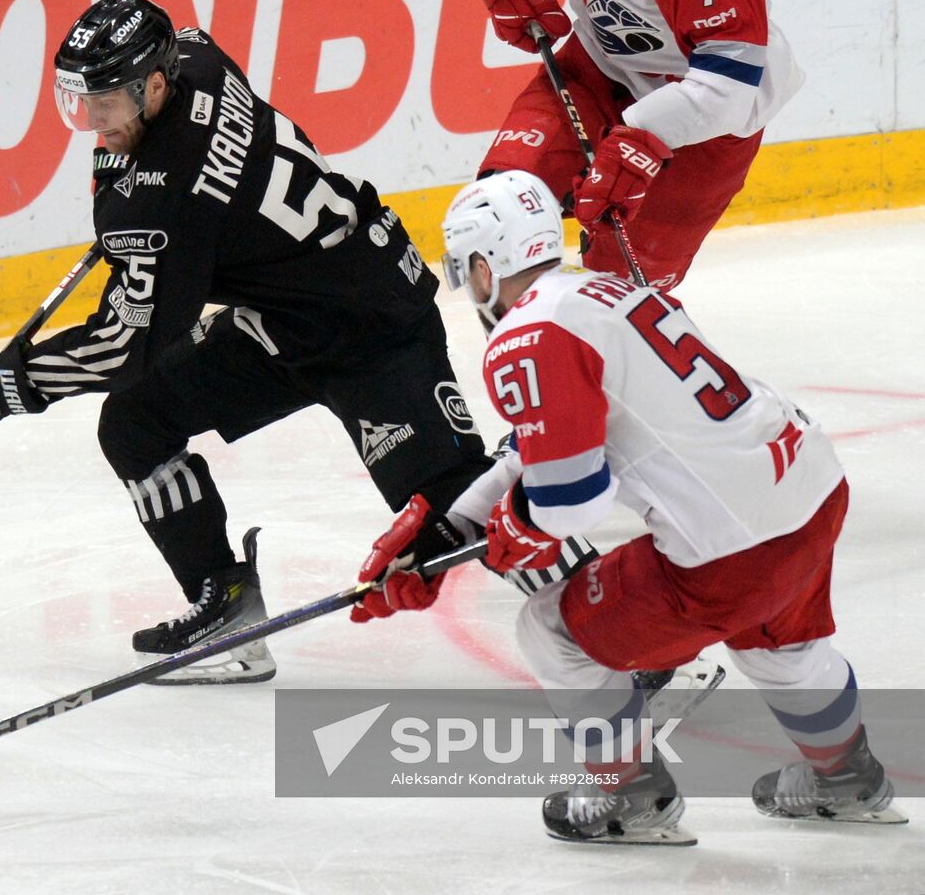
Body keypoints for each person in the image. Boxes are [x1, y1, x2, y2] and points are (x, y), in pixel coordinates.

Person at [0, 0, 493, 684]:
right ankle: (228, 606)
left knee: (462, 513)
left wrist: (11, 382)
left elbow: (122, 344)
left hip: (372, 328)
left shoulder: (165, 201)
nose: (91, 121)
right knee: (137, 422)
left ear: (154, 85)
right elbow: (173, 198)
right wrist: (129, 204)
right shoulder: (197, 54)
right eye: (82, 101)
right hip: (281, 323)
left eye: (104, 102)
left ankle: (606, 607)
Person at [352, 170, 902, 843]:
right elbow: (544, 449)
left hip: (736, 546)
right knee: (777, 639)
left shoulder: (526, 335)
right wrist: (451, 527)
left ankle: (630, 794)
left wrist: (516, 528)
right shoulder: (602, 291)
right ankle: (847, 775)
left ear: (483, 267)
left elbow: (572, 503)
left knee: (551, 630)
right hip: (809, 488)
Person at [473, 0, 803, 290]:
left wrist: (638, 140)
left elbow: (727, 90)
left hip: (707, 124)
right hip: (597, 68)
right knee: (497, 212)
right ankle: (519, 346)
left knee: (614, 291)